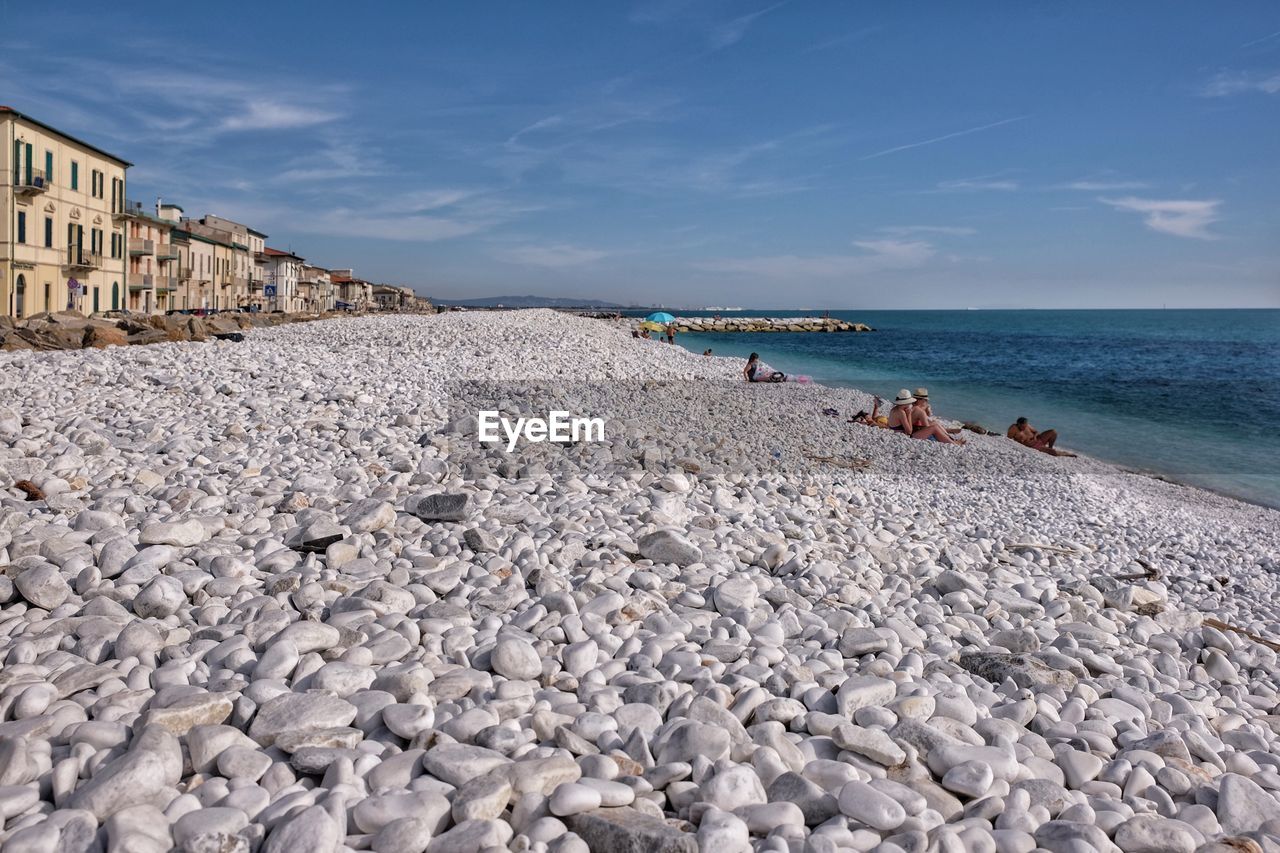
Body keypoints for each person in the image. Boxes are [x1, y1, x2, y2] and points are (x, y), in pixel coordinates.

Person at [887, 390, 964, 443]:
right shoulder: (902, 413)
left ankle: (951, 440)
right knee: (934, 427)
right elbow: (909, 432)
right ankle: (954, 443)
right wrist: (909, 414)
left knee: (934, 424)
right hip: (906, 438)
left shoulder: (895, 409)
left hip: (900, 435)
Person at [1008, 417, 1075, 456]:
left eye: (1025, 425)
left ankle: (1050, 447)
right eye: (1023, 426)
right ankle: (1067, 454)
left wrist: (1035, 436)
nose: (1024, 427)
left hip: (1038, 439)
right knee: (1054, 453)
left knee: (1053, 432)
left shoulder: (1027, 425)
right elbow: (1008, 439)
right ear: (1018, 424)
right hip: (1033, 445)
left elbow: (1036, 431)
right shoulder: (1013, 428)